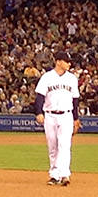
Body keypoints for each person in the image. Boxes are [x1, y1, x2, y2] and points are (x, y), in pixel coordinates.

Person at [35, 50, 81, 186]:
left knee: (65, 145)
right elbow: (39, 97)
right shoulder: (47, 77)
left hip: (66, 115)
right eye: (66, 61)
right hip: (50, 115)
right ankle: (54, 175)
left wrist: (76, 118)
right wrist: (38, 112)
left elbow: (75, 100)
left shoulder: (72, 78)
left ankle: (65, 174)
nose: (69, 63)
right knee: (53, 146)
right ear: (58, 62)